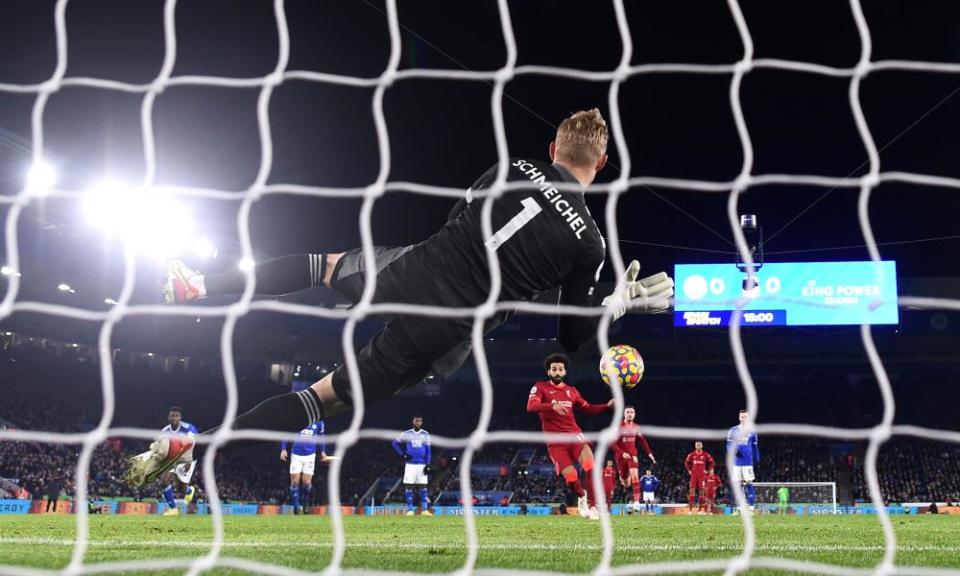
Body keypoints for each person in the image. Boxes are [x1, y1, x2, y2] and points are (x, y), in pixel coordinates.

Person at [127, 109, 674, 487]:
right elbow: (572, 336)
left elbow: (462, 218)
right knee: (324, 399)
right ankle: (196, 448)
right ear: (600, 166)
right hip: (447, 328)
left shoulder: (512, 167)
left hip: (413, 271)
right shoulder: (589, 242)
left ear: (552, 148)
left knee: (325, 266)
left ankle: (197, 286)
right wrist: (615, 303)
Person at [527, 353, 614, 520]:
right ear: (549, 372)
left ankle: (594, 506)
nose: (557, 372)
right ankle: (582, 497)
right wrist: (552, 405)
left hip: (575, 435)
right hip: (556, 443)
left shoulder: (572, 391)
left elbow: (587, 408)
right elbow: (531, 406)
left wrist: (606, 406)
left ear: (565, 372)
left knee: (590, 466)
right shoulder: (540, 387)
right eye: (554, 369)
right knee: (572, 477)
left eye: (560, 369)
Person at [610, 405, 656, 513]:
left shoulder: (636, 427)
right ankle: (624, 478)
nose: (630, 414)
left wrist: (650, 454)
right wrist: (622, 453)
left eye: (632, 412)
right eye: (628, 412)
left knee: (635, 477)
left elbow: (642, 440)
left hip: (633, 455)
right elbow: (611, 443)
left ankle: (636, 503)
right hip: (621, 457)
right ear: (624, 414)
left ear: (634, 414)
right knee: (626, 483)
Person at [280, 418, 326, 515]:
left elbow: (322, 437)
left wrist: (322, 451)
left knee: (307, 482)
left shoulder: (319, 422)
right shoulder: (297, 416)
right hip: (296, 455)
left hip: (310, 456)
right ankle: (296, 507)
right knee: (295, 481)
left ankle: (306, 502)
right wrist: (283, 449)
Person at [158, 407, 198, 516]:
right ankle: (173, 509)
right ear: (168, 417)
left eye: (176, 416)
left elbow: (193, 444)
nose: (174, 418)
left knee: (181, 488)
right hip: (172, 458)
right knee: (164, 480)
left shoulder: (189, 428)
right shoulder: (165, 431)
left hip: (186, 458)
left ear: (180, 417)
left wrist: (189, 461)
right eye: (172, 415)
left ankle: (189, 491)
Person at [392, 416, 432, 516]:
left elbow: (428, 451)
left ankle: (425, 510)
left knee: (423, 485)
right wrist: (402, 454)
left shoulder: (425, 434)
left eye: (420, 421)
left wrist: (428, 464)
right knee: (409, 485)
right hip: (410, 465)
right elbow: (395, 443)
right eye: (416, 421)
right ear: (413, 422)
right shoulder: (406, 433)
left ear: (422, 422)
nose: (418, 422)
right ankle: (410, 510)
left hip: (422, 465)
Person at [727, 409, 760, 511]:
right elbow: (728, 445)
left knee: (749, 483)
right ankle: (740, 506)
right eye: (742, 417)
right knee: (737, 485)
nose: (743, 418)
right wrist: (733, 451)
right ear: (739, 417)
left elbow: (755, 447)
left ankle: (750, 506)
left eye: (745, 417)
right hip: (736, 462)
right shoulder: (733, 430)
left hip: (748, 462)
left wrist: (756, 458)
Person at [684, 441, 715, 513]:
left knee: (702, 493)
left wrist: (707, 470)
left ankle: (700, 510)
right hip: (694, 476)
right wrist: (689, 470)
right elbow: (686, 462)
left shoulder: (705, 454)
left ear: (702, 446)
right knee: (692, 492)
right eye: (697, 445)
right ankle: (690, 510)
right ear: (695, 446)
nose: (698, 446)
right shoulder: (692, 454)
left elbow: (713, 462)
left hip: (702, 476)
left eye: (699, 445)